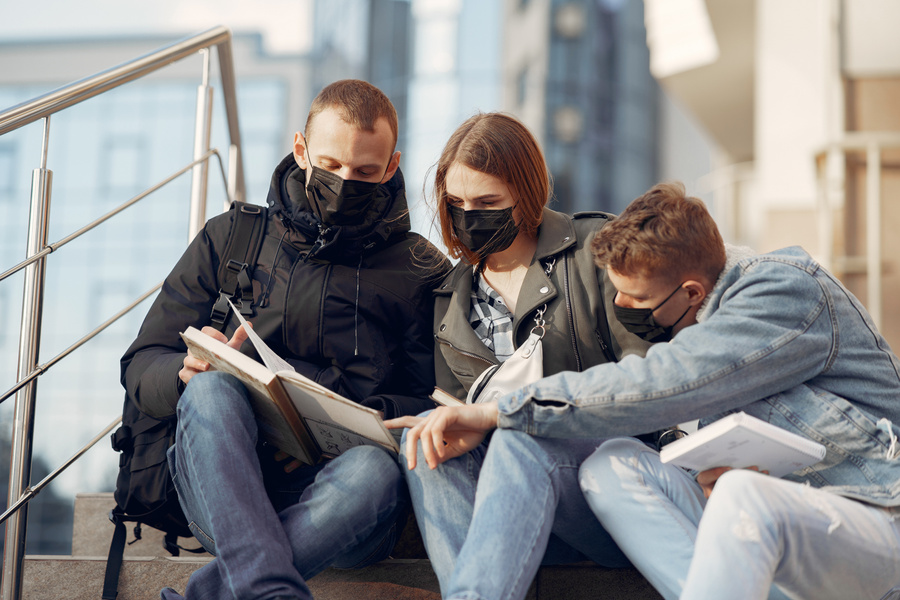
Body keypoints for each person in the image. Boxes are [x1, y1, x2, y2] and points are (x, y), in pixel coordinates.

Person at [402, 182, 900, 600]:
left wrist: (493, 413)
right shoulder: (701, 324)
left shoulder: (783, 292)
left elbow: (660, 382)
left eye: (635, 297)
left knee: (747, 496)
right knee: (611, 465)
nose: (619, 305)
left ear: (690, 293)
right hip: (782, 538)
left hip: (876, 518)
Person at [120, 79, 447, 600]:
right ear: (300, 150)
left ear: (391, 166)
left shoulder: (420, 269)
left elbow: (435, 400)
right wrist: (182, 371)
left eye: (365, 171)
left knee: (372, 471)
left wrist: (343, 423)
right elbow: (142, 364)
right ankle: (268, 589)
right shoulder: (232, 236)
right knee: (209, 390)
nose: (346, 180)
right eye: (331, 164)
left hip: (347, 506)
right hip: (220, 488)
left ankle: (239, 588)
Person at [385, 112, 655, 599]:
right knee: (426, 442)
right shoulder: (450, 301)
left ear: (526, 194)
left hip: (605, 496)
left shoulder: (594, 250)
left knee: (520, 438)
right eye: (456, 203)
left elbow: (649, 380)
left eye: (487, 202)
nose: (469, 216)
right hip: (503, 517)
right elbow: (454, 411)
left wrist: (508, 420)